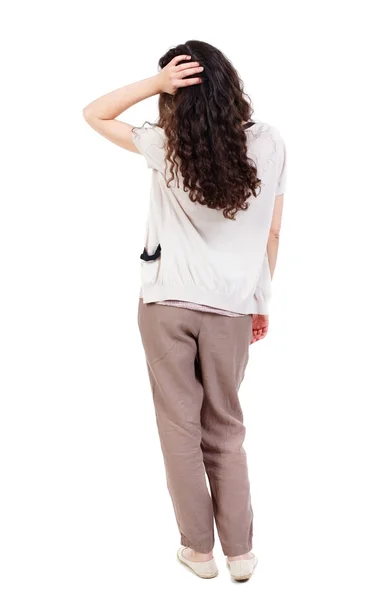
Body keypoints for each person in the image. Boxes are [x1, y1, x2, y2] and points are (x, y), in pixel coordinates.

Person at [83, 40, 286, 582]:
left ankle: (198, 553)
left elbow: (94, 112)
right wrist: (259, 301)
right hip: (233, 310)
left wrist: (154, 84)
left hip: (165, 306)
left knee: (180, 429)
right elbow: (271, 230)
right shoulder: (269, 143)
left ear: (177, 92)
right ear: (229, 84)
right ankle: (240, 555)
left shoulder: (165, 142)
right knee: (226, 427)